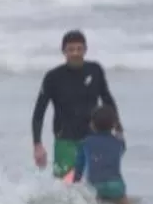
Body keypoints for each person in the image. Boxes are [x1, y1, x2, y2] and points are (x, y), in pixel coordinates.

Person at [31, 31, 122, 183]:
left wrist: (118, 128)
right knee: (66, 185)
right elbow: (39, 112)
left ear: (85, 49)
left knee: (97, 182)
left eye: (79, 49)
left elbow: (107, 99)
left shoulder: (95, 70)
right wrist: (37, 144)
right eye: (71, 49)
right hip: (65, 139)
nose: (75, 53)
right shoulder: (53, 77)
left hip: (93, 138)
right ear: (64, 51)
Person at [79, 103, 132, 204]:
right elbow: (122, 148)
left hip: (95, 186)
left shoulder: (85, 143)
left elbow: (79, 168)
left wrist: (75, 185)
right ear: (113, 124)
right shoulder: (118, 143)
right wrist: (119, 129)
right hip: (116, 187)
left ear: (92, 124)